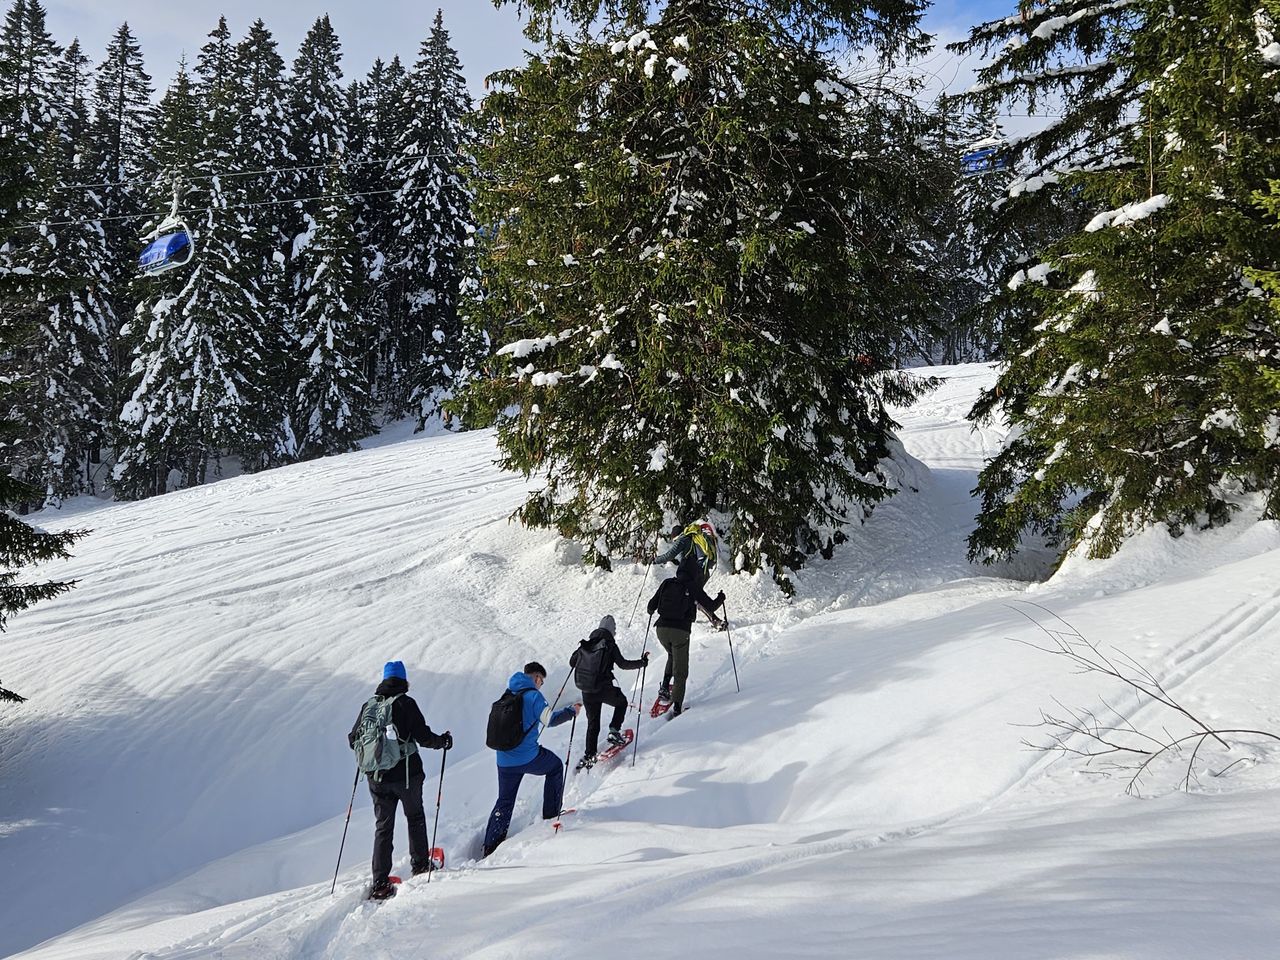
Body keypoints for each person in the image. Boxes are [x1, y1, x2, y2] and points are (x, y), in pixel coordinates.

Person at [347, 660, 452, 901]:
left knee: (383, 827)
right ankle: (420, 865)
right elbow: (424, 737)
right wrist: (443, 741)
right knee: (414, 817)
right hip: (406, 775)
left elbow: (353, 739)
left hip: (376, 778)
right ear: (403, 680)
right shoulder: (406, 703)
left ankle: (380, 882)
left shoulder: (369, 706)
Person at [482, 662, 581, 857]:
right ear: (536, 678)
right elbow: (550, 720)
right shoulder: (534, 696)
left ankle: (490, 845)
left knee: (505, 800)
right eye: (541, 681)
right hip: (527, 756)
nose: (541, 685)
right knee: (555, 767)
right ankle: (551, 815)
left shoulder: (509, 692)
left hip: (503, 759)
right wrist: (571, 711)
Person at [569, 615, 649, 770]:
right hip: (603, 688)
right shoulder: (610, 645)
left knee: (593, 723)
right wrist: (642, 663)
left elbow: (572, 662)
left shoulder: (585, 644)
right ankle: (614, 730)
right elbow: (623, 664)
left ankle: (589, 755)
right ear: (612, 630)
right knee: (622, 702)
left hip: (586, 690)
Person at [647, 565, 725, 716]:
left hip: (661, 629)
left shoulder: (667, 583)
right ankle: (677, 706)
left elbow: (651, 607)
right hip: (680, 631)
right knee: (680, 669)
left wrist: (653, 610)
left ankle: (664, 687)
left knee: (672, 655)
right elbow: (711, 606)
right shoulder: (693, 586)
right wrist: (721, 598)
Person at [655, 521, 724, 629]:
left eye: (674, 540)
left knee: (694, 597)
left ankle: (714, 620)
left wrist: (655, 560)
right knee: (694, 596)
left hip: (693, 573)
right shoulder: (693, 538)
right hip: (703, 571)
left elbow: (670, 555)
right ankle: (694, 618)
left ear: (676, 536)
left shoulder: (683, 539)